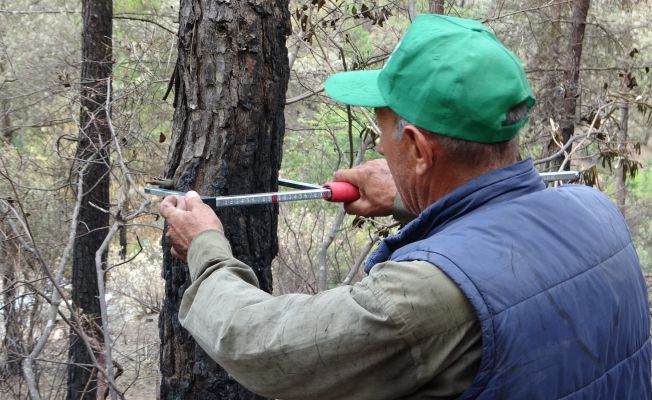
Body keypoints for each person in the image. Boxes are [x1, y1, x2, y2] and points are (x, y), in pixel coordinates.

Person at [160, 14, 651, 400]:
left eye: (382, 132)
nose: (379, 146)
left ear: (418, 150)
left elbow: (264, 345)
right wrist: (407, 196)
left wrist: (206, 249)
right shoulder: (594, 209)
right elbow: (508, 248)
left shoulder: (424, 298)